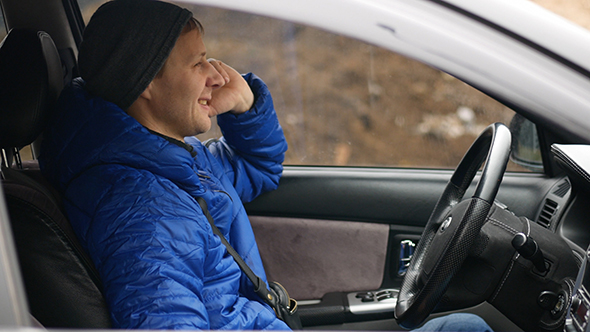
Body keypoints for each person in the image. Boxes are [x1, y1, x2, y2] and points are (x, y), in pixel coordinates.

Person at [39, 0, 492, 331]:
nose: (217, 75)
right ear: (146, 84)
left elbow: (260, 169)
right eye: (199, 64)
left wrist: (246, 105)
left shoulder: (173, 161)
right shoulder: (141, 211)